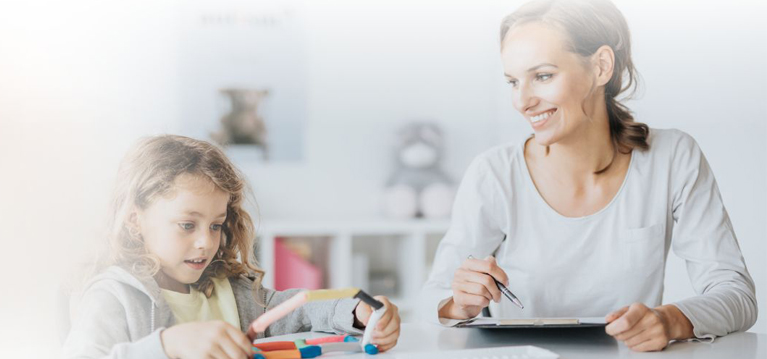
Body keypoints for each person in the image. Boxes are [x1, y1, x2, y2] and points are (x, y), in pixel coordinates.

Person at [421, 0, 756, 352]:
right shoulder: (494, 173)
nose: (522, 101)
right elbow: (435, 296)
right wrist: (459, 302)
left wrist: (669, 319)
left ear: (601, 66)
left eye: (543, 76)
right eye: (513, 81)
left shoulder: (672, 157)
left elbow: (736, 295)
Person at [62, 135, 401, 359]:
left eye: (215, 225)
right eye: (187, 225)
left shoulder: (229, 289)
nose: (206, 242)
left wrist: (355, 313)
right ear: (136, 219)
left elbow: (295, 311)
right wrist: (167, 346)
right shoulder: (113, 296)